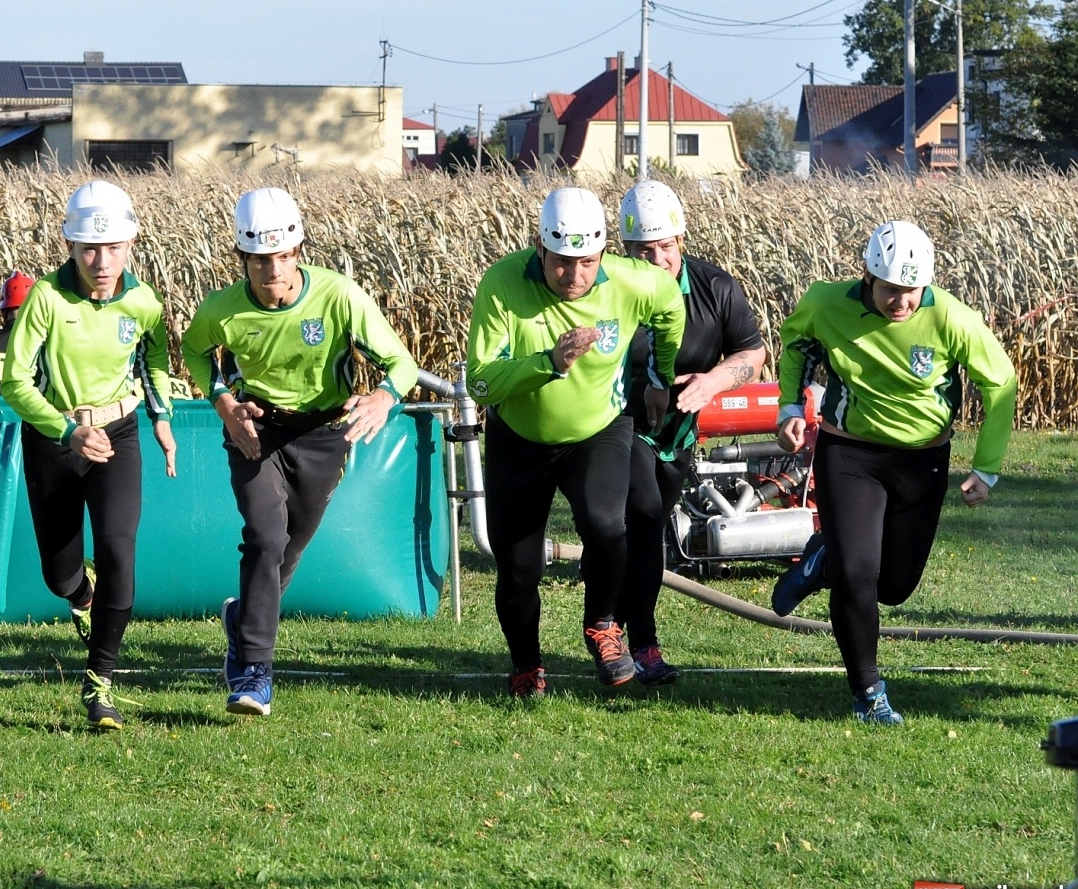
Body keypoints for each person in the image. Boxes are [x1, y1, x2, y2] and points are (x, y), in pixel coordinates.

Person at [182, 187, 418, 717]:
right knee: (265, 538)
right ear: (241, 258)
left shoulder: (339, 296)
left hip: (323, 433)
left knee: (289, 549)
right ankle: (254, 672)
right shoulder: (221, 310)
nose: (273, 271)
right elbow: (195, 352)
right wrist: (223, 402)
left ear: (299, 251)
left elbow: (399, 362)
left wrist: (385, 396)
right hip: (255, 428)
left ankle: (243, 618)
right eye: (260, 260)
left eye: (283, 257)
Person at [770, 220, 1016, 725]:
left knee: (894, 587)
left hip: (922, 460)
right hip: (850, 454)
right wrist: (790, 409)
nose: (900, 303)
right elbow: (796, 343)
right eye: (890, 291)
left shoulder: (951, 316)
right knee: (859, 576)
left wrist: (986, 468)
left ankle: (823, 560)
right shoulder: (825, 302)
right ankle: (867, 692)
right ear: (867, 276)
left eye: (911, 291)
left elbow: (1001, 384)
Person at [466, 186, 684, 698]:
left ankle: (604, 625)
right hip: (518, 438)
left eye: (587, 262)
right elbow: (479, 380)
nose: (575, 276)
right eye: (562, 262)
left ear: (605, 253)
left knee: (608, 524)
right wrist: (547, 363)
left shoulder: (634, 282)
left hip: (599, 430)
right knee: (519, 568)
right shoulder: (502, 283)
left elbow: (670, 308)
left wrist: (660, 376)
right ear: (539, 250)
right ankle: (526, 666)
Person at [0, 182, 175, 730]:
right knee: (59, 573)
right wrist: (65, 430)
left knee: (120, 549)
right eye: (89, 249)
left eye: (114, 248)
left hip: (118, 435)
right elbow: (14, 382)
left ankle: (100, 681)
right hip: (55, 438)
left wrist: (162, 417)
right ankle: (81, 593)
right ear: (71, 246)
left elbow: (154, 363)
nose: (102, 262)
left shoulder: (144, 302)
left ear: (131, 244)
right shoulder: (46, 300)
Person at [613, 181, 766, 686]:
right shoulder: (608, 287)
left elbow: (752, 353)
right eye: (642, 249)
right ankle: (637, 641)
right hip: (619, 422)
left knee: (650, 531)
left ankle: (617, 627)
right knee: (643, 515)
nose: (657, 259)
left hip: (678, 430)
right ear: (624, 248)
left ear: (681, 238)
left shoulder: (715, 287)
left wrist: (714, 381)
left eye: (666, 246)